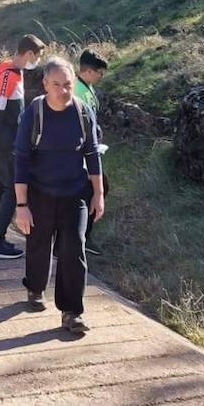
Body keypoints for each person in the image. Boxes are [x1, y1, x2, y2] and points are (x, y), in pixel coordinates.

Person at [14, 56, 103, 335]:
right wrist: (22, 205)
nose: (63, 90)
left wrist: (98, 194)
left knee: (73, 247)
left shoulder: (82, 111)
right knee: (38, 244)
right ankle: (35, 287)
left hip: (74, 192)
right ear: (45, 84)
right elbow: (21, 160)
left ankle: (71, 311)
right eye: (57, 84)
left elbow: (92, 153)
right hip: (40, 191)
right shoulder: (35, 113)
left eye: (67, 84)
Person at [0, 35, 46, 260]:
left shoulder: (14, 73)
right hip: (4, 145)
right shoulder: (8, 76)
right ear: (28, 54)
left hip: (6, 142)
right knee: (10, 189)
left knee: (0, 187)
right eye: (36, 57)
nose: (36, 61)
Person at [75, 48, 111, 257]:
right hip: (83, 153)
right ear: (89, 71)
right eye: (100, 73)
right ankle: (80, 237)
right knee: (92, 190)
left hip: (91, 149)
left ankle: (82, 236)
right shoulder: (77, 91)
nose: (101, 77)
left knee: (99, 188)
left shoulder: (87, 88)